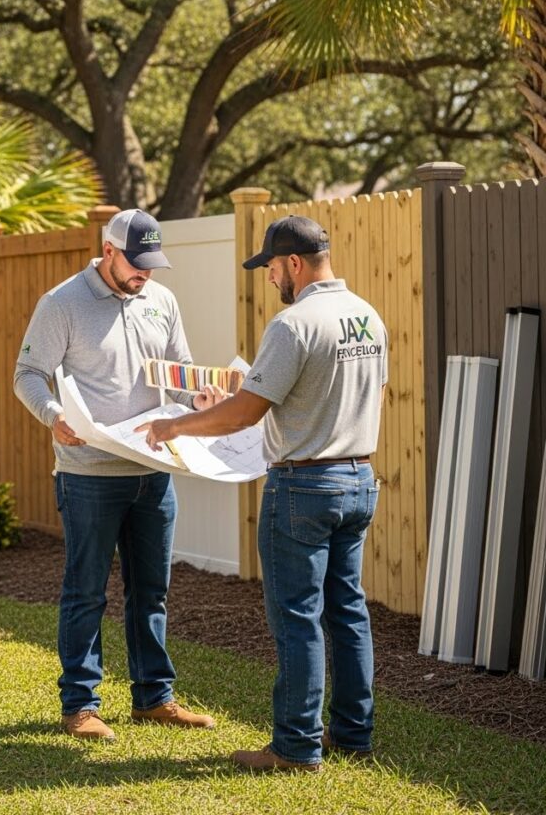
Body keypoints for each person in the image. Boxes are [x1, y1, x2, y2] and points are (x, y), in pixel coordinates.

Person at [137, 215, 387, 773]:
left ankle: (296, 747)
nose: (271, 278)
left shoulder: (293, 324)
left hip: (303, 487)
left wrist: (174, 427)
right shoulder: (368, 318)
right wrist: (226, 405)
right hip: (358, 479)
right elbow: (323, 396)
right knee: (348, 613)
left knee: (297, 617)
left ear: (294, 263)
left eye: (272, 267)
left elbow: (249, 412)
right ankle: (352, 735)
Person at [13, 209, 218, 742]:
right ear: (108, 251)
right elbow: (28, 374)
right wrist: (54, 417)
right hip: (88, 475)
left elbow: (177, 378)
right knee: (86, 592)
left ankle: (154, 698)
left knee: (151, 590)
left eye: (152, 264)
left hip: (154, 471)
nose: (144, 274)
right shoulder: (61, 304)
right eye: (136, 263)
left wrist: (195, 397)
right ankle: (80, 705)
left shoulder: (162, 302)